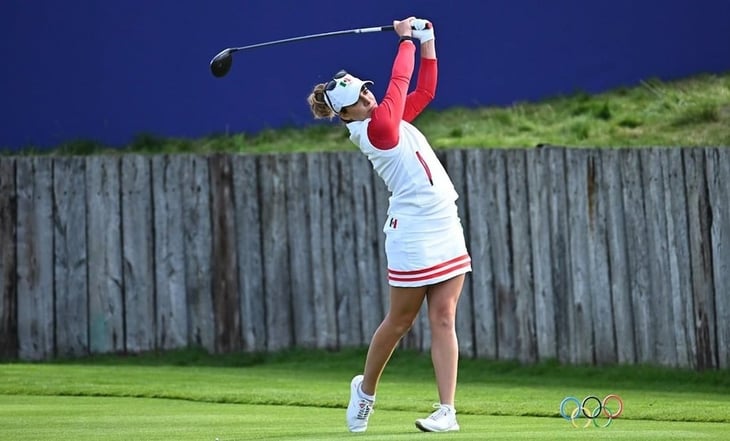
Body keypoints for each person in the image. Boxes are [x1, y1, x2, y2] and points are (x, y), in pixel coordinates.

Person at [307, 16, 471, 433]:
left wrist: (429, 41)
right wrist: (406, 41)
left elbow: (425, 90)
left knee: (445, 318)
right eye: (362, 95)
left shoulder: (385, 118)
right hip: (412, 230)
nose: (370, 95)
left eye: (367, 89)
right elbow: (400, 81)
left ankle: (447, 410)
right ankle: (365, 392)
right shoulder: (377, 129)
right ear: (348, 113)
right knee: (399, 321)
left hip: (443, 220)